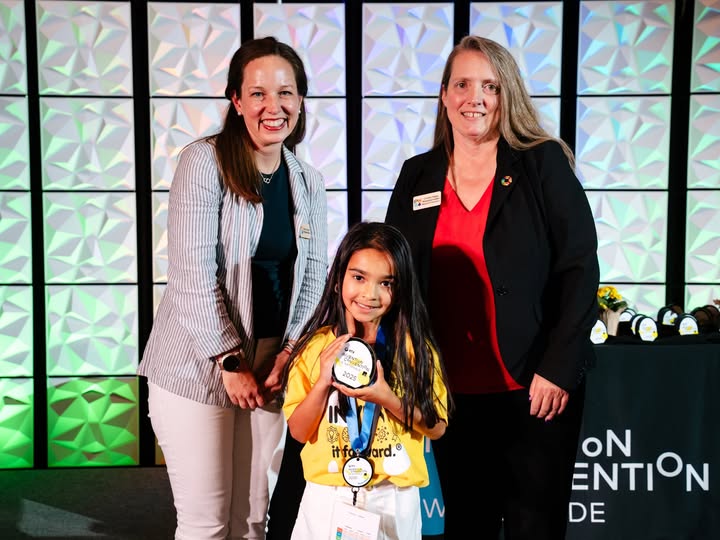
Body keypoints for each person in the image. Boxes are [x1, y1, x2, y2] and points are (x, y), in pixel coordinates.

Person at [385, 35, 600, 540]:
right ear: (443, 95)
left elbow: (579, 268)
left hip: (535, 387)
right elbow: (394, 271)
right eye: (462, 84)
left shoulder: (541, 163)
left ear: (508, 97)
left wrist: (558, 368)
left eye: (490, 86)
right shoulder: (417, 174)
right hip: (451, 392)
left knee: (533, 527)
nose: (474, 98)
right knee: (467, 525)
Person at [137, 36, 328, 539]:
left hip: (271, 369)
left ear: (301, 101)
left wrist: (289, 354)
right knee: (206, 523)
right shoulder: (204, 163)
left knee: (255, 523)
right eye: (258, 93)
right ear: (237, 101)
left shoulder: (308, 180)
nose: (274, 106)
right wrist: (229, 360)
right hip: (197, 365)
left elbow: (312, 280)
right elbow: (191, 275)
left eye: (286, 93)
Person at [281, 221, 451, 540]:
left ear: (401, 289)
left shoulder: (415, 350)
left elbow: (437, 426)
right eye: (358, 277)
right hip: (327, 495)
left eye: (386, 283)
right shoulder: (315, 348)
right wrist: (322, 383)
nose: (369, 294)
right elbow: (299, 431)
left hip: (394, 497)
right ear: (337, 280)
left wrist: (386, 396)